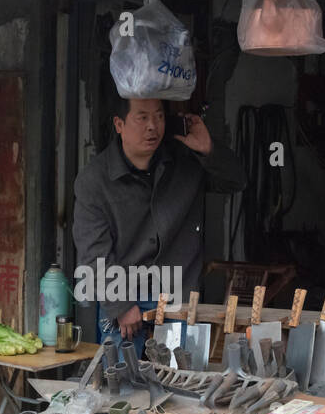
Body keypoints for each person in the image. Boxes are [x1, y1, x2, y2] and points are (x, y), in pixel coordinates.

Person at [73, 97, 245, 355]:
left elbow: (236, 182)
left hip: (178, 294)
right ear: (119, 124)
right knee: (121, 386)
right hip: (123, 292)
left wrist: (207, 148)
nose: (153, 126)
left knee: (179, 382)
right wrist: (120, 305)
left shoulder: (186, 161)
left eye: (159, 116)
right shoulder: (95, 180)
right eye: (142, 117)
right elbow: (92, 252)